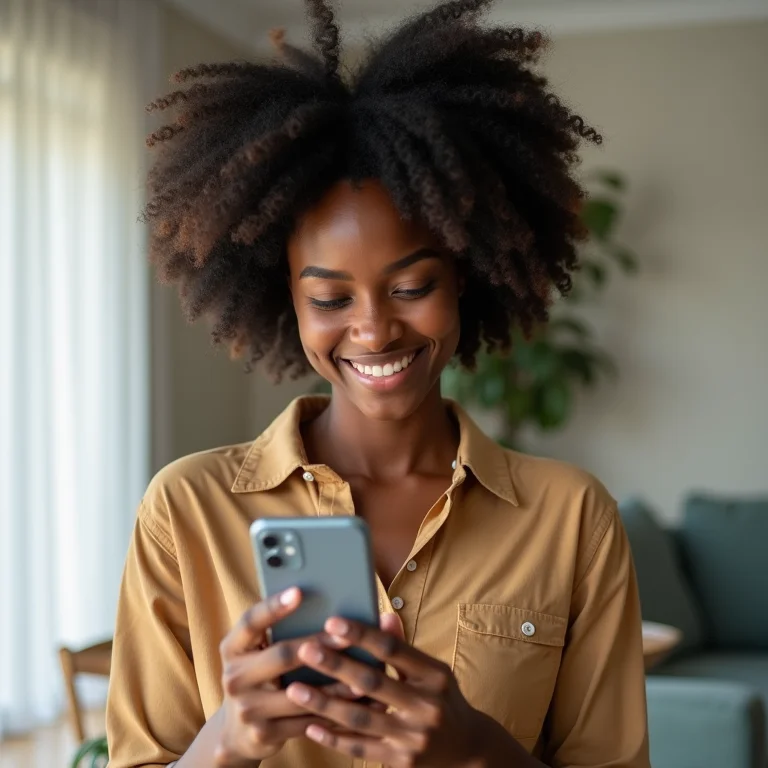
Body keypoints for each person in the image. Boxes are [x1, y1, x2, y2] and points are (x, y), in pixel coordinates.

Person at [106, 1, 650, 766]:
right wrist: (228, 739)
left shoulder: (571, 518)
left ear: (466, 277)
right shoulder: (186, 510)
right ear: (282, 298)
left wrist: (475, 748)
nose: (373, 331)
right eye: (330, 298)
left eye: (412, 285)